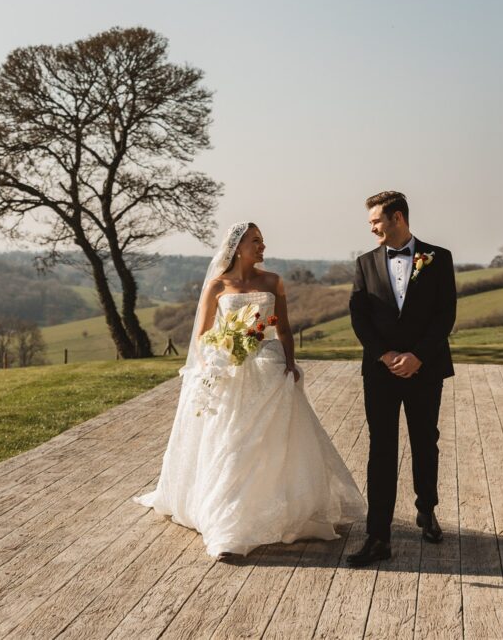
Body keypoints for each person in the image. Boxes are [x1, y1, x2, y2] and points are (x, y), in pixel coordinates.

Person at [135, 221, 365, 559]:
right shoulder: (217, 286)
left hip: (267, 369)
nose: (262, 247)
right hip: (229, 372)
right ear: (238, 246)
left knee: (270, 442)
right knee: (231, 442)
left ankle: (271, 509)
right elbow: (201, 335)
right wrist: (217, 357)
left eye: (263, 242)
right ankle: (227, 526)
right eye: (256, 241)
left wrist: (290, 364)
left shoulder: (273, 282)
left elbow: (283, 329)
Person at [347, 191, 456, 566]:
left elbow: (445, 315)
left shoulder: (438, 259)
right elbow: (359, 316)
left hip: (425, 369)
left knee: (426, 442)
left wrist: (418, 356)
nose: (372, 228)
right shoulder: (364, 263)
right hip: (380, 371)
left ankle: (427, 510)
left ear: (397, 218)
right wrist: (386, 354)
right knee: (381, 450)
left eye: (376, 221)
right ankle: (378, 536)